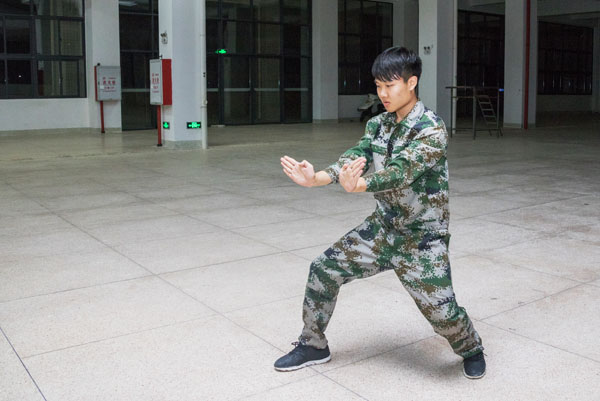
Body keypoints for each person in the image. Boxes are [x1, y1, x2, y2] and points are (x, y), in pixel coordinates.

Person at [276, 47, 486, 379]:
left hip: (421, 239)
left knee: (443, 315)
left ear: (412, 83)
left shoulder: (431, 129)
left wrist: (360, 185)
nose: (383, 94)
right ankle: (313, 344)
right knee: (323, 269)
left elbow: (401, 171)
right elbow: (356, 156)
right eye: (378, 86)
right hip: (382, 229)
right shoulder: (377, 124)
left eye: (390, 86)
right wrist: (316, 178)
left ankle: (471, 347)